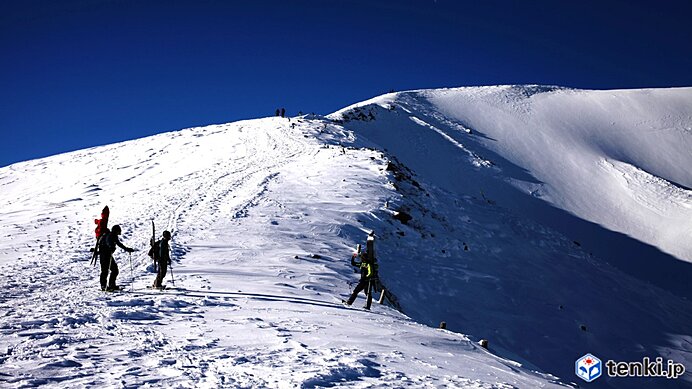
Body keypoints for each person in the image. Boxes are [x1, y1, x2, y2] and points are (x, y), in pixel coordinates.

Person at [98, 224, 134, 291]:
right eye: (118, 231)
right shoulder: (110, 235)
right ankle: (104, 286)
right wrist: (110, 246)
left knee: (114, 270)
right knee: (106, 271)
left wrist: (127, 249)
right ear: (116, 231)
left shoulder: (114, 236)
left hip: (108, 255)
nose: (119, 233)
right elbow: (108, 241)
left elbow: (118, 243)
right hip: (104, 255)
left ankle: (110, 285)